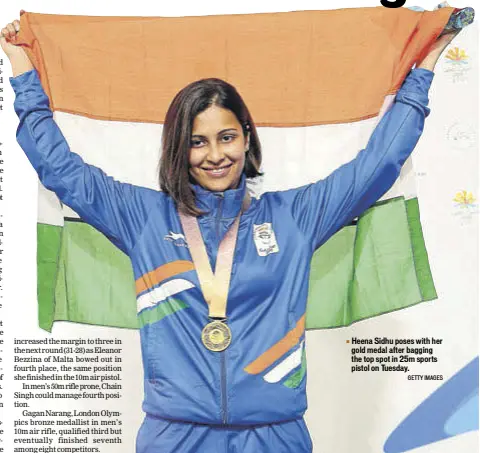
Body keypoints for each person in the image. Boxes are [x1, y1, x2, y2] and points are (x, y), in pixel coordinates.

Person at [1, 17, 460, 453]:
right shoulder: (141, 217)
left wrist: (427, 63)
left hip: (273, 436)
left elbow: (379, 162)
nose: (214, 155)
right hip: (174, 437)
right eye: (197, 141)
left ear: (246, 138)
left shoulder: (294, 217)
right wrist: (20, 66)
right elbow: (59, 168)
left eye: (226, 137)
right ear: (178, 147)